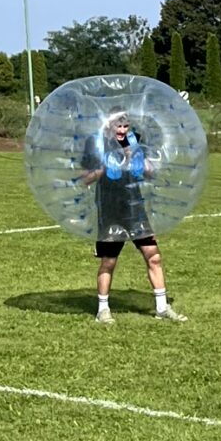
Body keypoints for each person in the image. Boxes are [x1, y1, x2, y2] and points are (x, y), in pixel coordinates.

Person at [80, 113, 183, 322]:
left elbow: (148, 172)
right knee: (109, 261)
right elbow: (84, 179)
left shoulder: (135, 140)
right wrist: (104, 168)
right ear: (109, 124)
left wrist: (133, 157)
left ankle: (162, 308)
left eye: (126, 126)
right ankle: (103, 310)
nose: (122, 130)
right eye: (119, 126)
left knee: (153, 256)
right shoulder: (96, 143)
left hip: (135, 207)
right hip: (110, 209)